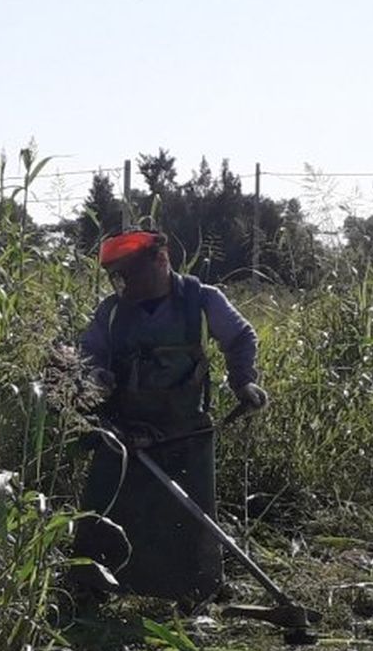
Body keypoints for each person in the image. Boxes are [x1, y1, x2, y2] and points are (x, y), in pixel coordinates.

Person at [71, 229, 267, 609]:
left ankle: (192, 593)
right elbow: (90, 355)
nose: (125, 284)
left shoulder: (202, 300)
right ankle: (91, 586)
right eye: (118, 276)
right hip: (123, 433)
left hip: (184, 432)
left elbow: (240, 337)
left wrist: (243, 381)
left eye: (132, 274)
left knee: (186, 520)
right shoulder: (110, 312)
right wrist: (96, 379)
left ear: (161, 261)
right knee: (107, 507)